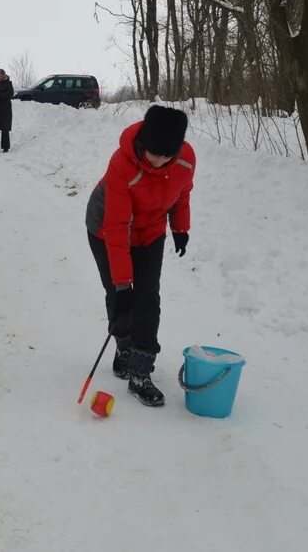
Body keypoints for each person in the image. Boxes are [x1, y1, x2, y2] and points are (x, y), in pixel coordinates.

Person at [84, 105, 195, 407]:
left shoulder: (185, 160)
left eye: (165, 155)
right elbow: (117, 227)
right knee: (121, 294)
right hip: (106, 228)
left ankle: (141, 371)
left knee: (148, 296)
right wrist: (122, 286)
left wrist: (180, 227)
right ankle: (124, 346)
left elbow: (181, 194)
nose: (158, 161)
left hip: (151, 230)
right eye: (153, 153)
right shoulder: (122, 163)